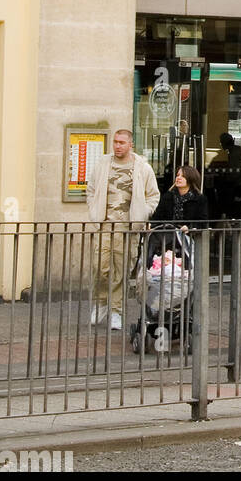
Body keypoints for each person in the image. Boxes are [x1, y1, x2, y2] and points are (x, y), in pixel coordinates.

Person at [85, 129, 160, 330]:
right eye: (115, 142)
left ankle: (116, 310)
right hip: (105, 225)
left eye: (122, 142)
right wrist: (94, 212)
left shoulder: (142, 167)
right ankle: (101, 301)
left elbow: (153, 195)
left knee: (121, 270)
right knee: (100, 267)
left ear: (130, 144)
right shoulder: (103, 164)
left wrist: (144, 213)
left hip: (128, 228)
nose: (117, 146)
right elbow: (91, 190)